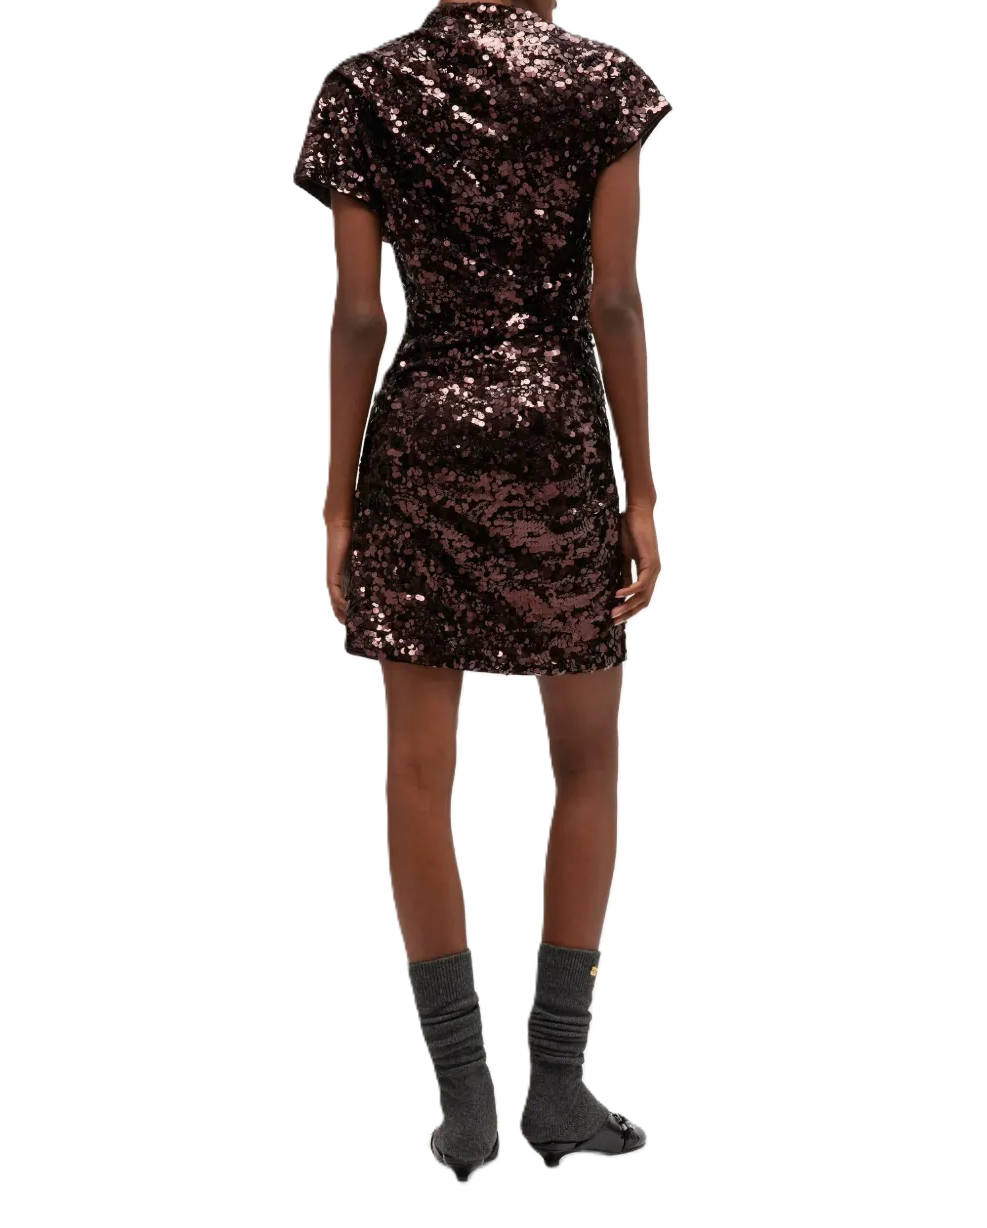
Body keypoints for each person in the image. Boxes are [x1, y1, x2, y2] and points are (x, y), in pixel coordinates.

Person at [292, 0, 670, 1181]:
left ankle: (463, 1102)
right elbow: (613, 299)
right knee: (587, 762)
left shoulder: (364, 85)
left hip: (421, 435)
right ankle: (557, 1083)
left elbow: (361, 312)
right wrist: (642, 493)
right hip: (557, 437)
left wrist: (337, 501)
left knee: (416, 771)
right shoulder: (601, 81)